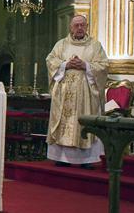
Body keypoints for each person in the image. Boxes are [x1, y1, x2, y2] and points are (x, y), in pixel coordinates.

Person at [45, 15, 109, 168]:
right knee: (63, 122)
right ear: (70, 27)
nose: (79, 28)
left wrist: (85, 65)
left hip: (85, 94)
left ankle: (86, 160)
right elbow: (50, 60)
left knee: (84, 122)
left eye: (82, 25)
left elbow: (104, 65)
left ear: (87, 27)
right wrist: (66, 64)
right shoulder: (61, 45)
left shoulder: (95, 46)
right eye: (76, 25)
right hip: (63, 93)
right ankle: (61, 157)